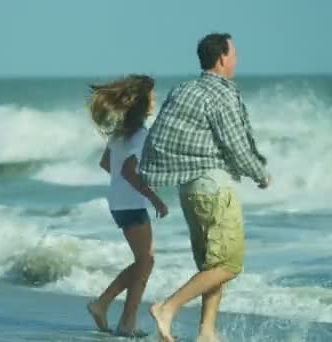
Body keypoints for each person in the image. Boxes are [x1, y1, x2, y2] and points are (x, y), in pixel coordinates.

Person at [139, 33, 271, 342]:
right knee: (228, 264)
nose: (237, 59)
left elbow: (163, 136)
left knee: (211, 265)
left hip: (189, 190)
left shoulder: (184, 90)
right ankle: (167, 308)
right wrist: (260, 174)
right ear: (222, 58)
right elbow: (236, 145)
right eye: (234, 53)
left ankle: (206, 332)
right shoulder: (220, 94)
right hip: (213, 188)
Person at [86, 75, 168, 337]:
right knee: (146, 261)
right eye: (152, 96)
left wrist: (121, 184)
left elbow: (106, 164)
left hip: (118, 202)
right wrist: (155, 198)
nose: (155, 100)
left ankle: (112, 310)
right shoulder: (141, 134)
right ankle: (113, 312)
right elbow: (130, 171)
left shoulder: (122, 132)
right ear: (143, 101)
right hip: (132, 203)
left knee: (144, 261)